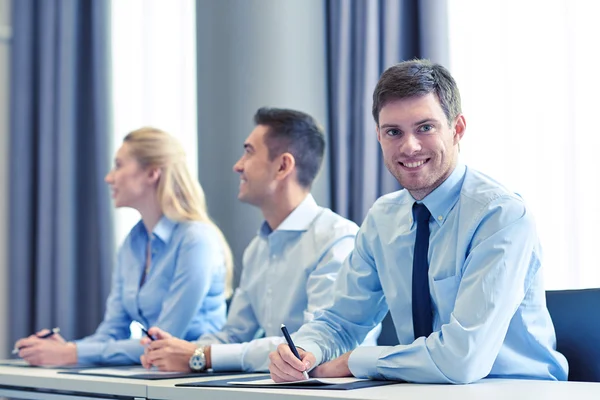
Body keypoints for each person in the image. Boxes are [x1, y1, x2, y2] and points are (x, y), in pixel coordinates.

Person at [268, 60, 569, 384]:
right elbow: (342, 321)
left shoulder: (501, 216)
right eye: (393, 132)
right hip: (421, 389)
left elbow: (462, 358)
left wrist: (356, 360)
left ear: (457, 129)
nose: (409, 146)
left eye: (425, 127)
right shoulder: (383, 218)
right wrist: (303, 351)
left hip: (517, 390)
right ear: (379, 136)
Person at [140, 108, 380, 373]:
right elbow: (233, 335)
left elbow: (310, 349)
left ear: (282, 166)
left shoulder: (337, 239)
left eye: (249, 151)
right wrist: (177, 349)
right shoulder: (258, 248)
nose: (238, 165)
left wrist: (203, 355)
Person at [15, 127, 233, 366]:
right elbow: (112, 331)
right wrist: (63, 348)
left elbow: (164, 341)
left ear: (152, 173)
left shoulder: (196, 240)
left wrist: (72, 353)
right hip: (156, 375)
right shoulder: (133, 243)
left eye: (118, 165)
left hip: (196, 378)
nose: (109, 177)